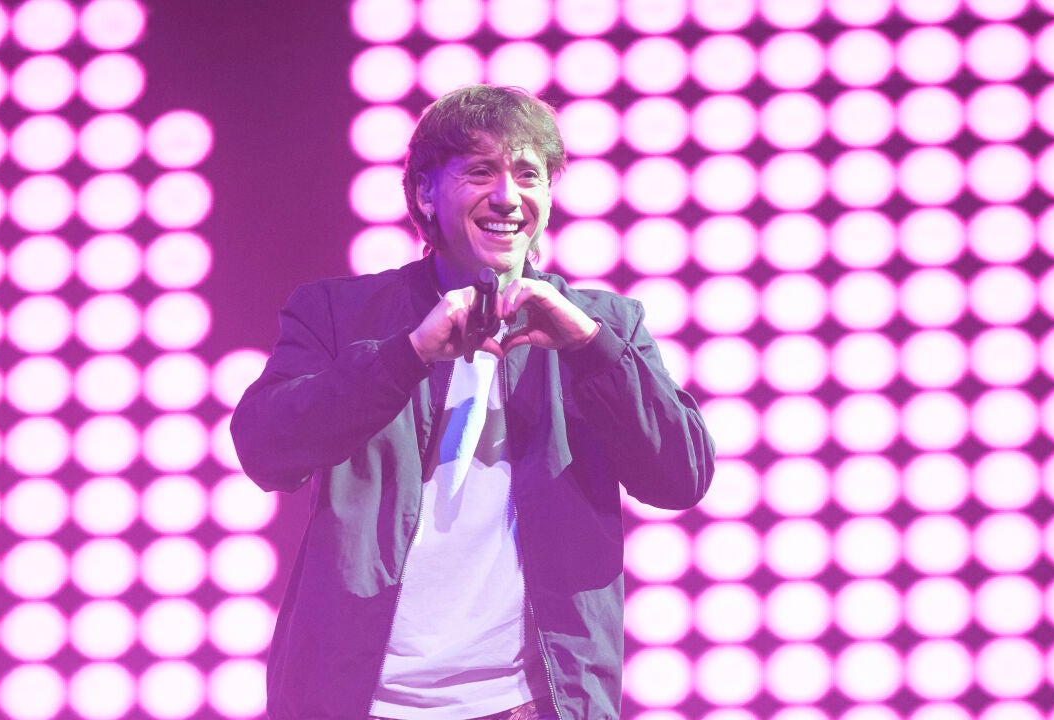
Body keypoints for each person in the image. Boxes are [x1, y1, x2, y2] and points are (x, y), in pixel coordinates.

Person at [230, 84, 716, 720]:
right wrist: (407, 355)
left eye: (528, 175)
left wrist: (590, 348)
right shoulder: (339, 314)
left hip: (532, 702)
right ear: (426, 193)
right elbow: (266, 449)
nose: (508, 197)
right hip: (363, 701)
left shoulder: (604, 326)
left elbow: (681, 476)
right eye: (480, 172)